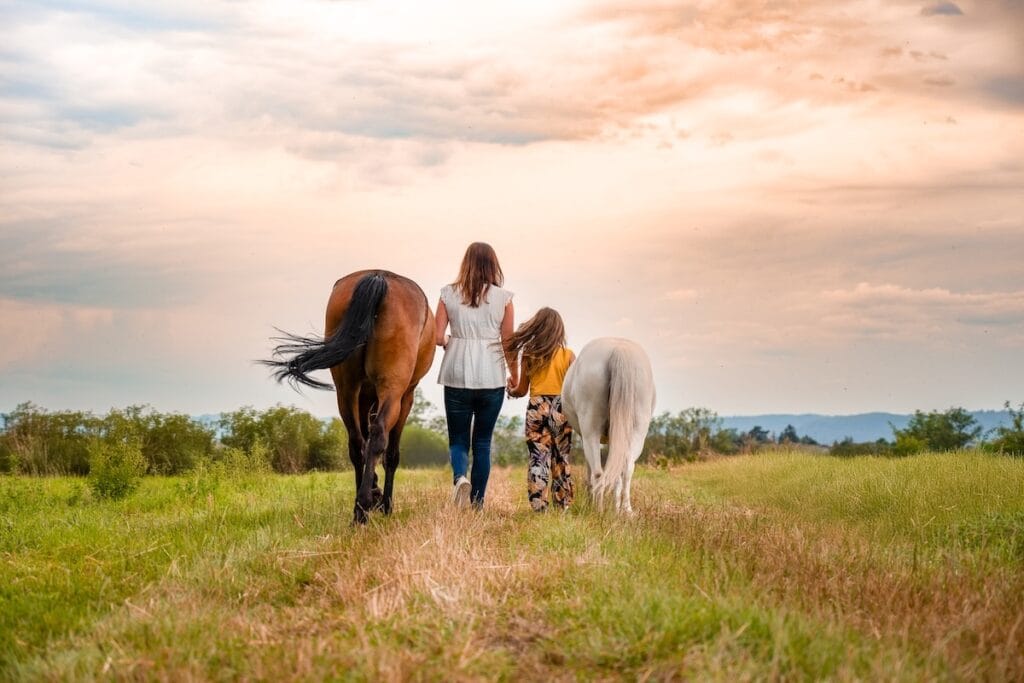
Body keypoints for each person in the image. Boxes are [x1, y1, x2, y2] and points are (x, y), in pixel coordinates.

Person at [435, 242, 517, 509]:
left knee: (458, 439)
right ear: (493, 264)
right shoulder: (504, 298)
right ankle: (477, 503)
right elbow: (508, 342)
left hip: (456, 372)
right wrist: (515, 375)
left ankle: (460, 478)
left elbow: (437, 337)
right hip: (491, 376)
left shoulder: (448, 294)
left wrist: (450, 341)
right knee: (482, 441)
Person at [504, 307, 575, 512]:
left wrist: (511, 389)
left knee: (538, 457)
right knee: (561, 457)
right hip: (562, 408)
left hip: (537, 408)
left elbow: (521, 390)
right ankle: (563, 506)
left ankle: (539, 507)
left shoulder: (530, 354)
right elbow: (576, 391)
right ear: (558, 330)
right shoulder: (569, 356)